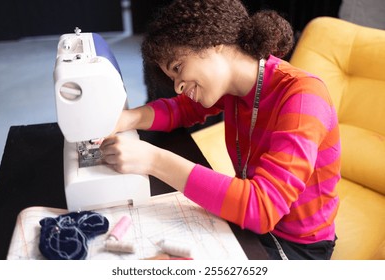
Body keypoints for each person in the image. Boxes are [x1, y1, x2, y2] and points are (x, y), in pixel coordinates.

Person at [100, 0, 341, 260]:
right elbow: (180, 109)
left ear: (214, 42)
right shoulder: (235, 89)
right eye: (173, 79)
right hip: (250, 225)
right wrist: (126, 118)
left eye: (178, 68)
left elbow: (262, 208)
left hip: (294, 245)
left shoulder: (303, 95)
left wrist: (153, 160)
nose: (178, 86)